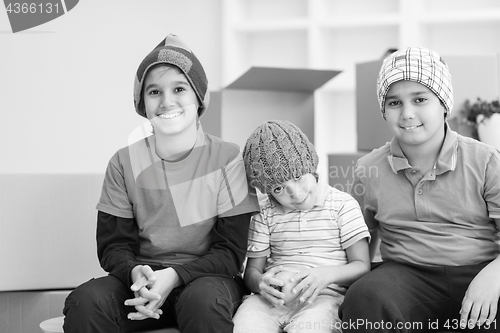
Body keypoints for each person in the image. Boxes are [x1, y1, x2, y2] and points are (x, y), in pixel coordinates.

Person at [62, 34, 260, 333]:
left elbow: (230, 253)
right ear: (142, 103)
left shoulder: (228, 158)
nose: (167, 101)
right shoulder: (123, 162)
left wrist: (176, 275)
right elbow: (113, 246)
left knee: (204, 303)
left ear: (199, 98)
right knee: (85, 302)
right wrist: (134, 274)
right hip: (142, 281)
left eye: (179, 89)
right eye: (154, 91)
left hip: (205, 280)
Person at [339, 47, 500, 332]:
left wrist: (493, 278)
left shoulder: (486, 160)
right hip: (406, 276)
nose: (407, 113)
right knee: (364, 299)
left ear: (443, 103)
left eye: (420, 99)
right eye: (394, 103)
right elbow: (358, 245)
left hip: (482, 272)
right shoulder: (368, 168)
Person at [233, 120, 371, 333]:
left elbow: (362, 265)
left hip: (324, 298)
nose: (295, 194)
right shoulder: (265, 212)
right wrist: (261, 283)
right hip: (270, 301)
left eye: (298, 177)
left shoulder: (342, 205)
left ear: (311, 165)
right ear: (268, 191)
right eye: (279, 188)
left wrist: (326, 275)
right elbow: (252, 271)